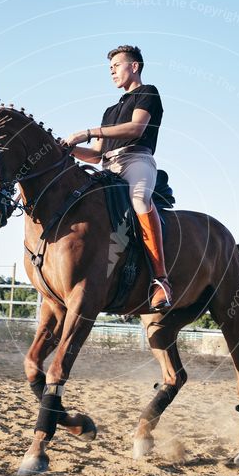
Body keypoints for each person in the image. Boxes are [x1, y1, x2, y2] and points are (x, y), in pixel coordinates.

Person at [63, 45, 172, 312]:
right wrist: (66, 148)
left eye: (116, 66)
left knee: (138, 201)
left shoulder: (148, 93)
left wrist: (85, 132)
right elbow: (97, 155)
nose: (112, 72)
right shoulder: (110, 111)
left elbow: (137, 127)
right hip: (110, 164)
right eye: (109, 69)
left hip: (136, 160)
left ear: (134, 66)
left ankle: (161, 280)